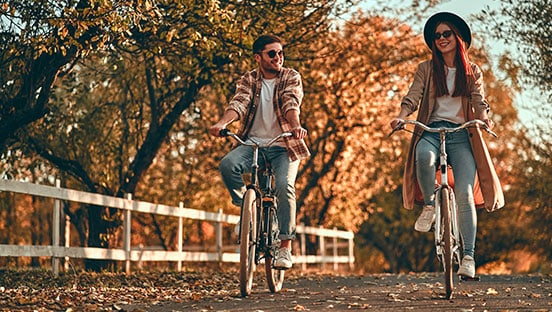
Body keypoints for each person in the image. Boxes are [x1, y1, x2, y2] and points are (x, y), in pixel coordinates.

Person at [390, 12, 504, 278]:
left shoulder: (472, 70)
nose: (441, 39)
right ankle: (430, 205)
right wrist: (402, 116)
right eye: (437, 36)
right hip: (432, 129)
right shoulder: (426, 69)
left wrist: (485, 119)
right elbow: (413, 96)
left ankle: (468, 257)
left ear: (457, 37)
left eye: (446, 34)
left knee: (464, 193)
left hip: (463, 134)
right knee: (424, 157)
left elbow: (479, 100)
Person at [210, 34, 309, 270]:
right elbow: (239, 103)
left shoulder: (290, 76)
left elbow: (290, 102)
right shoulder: (249, 79)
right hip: (252, 144)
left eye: (281, 53)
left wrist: (295, 126)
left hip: (283, 145)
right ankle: (247, 213)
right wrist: (222, 123)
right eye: (272, 53)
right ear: (258, 57)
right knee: (227, 165)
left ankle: (285, 247)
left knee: (284, 187)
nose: (278, 57)